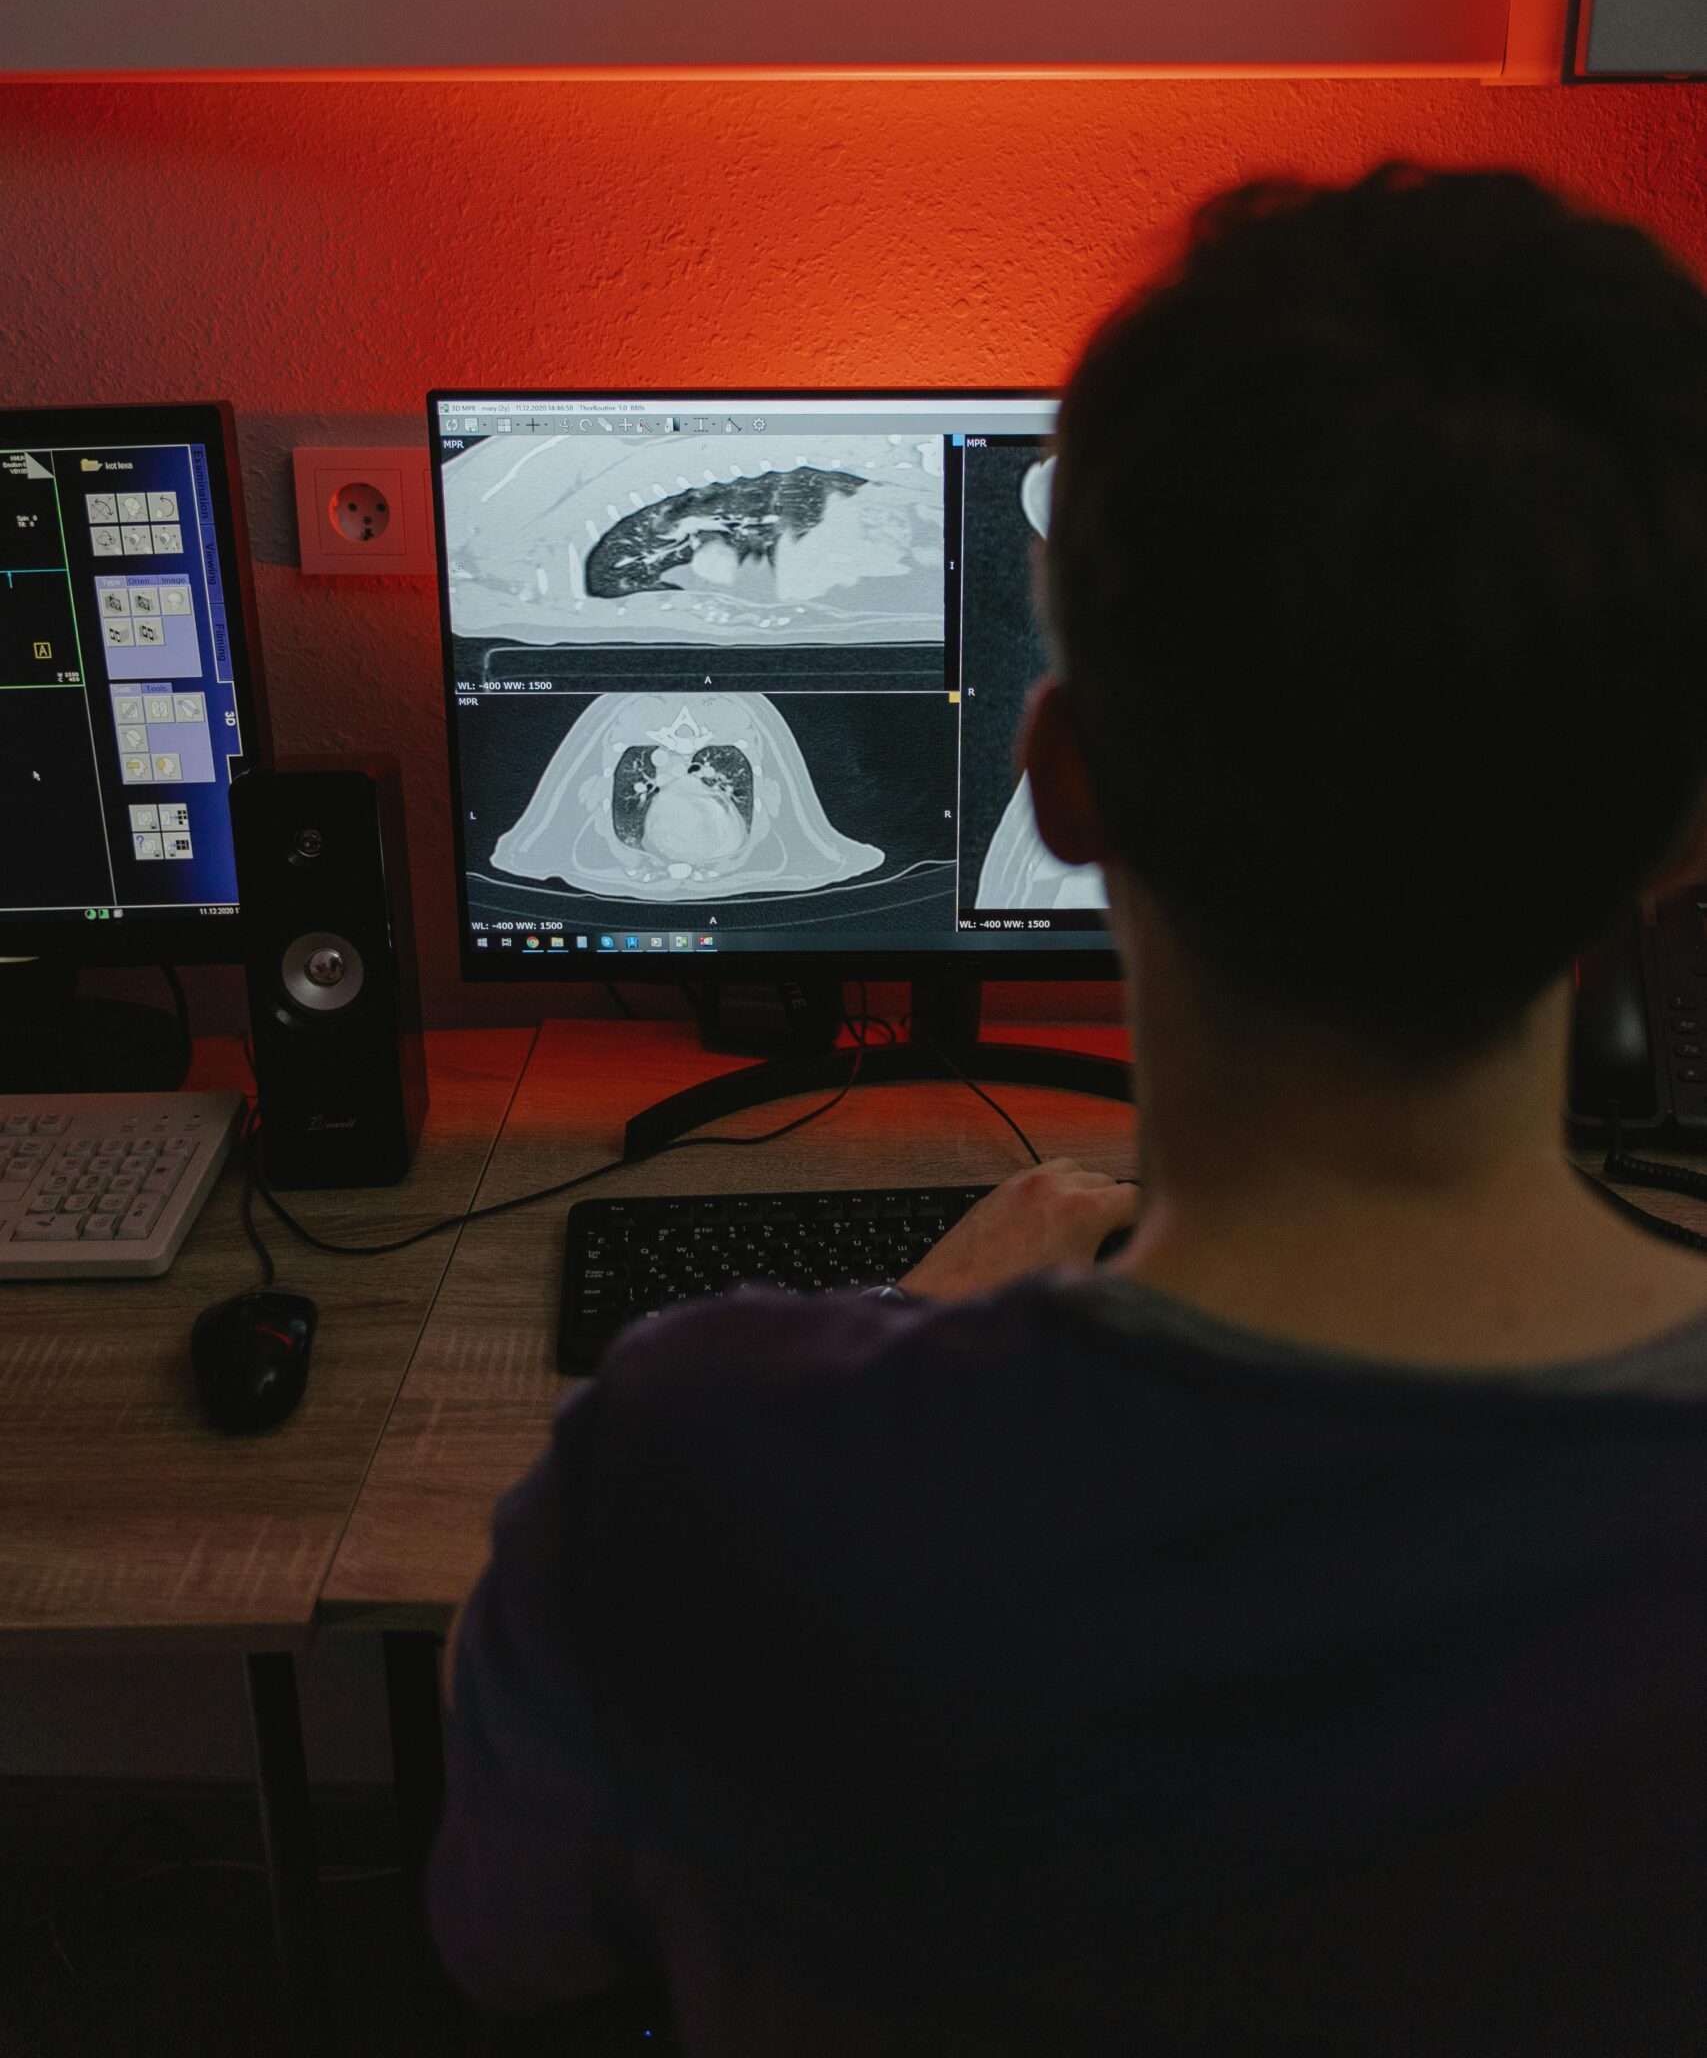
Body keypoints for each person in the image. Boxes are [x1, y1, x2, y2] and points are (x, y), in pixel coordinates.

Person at [430, 165, 1707, 2055]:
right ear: (1688, 833)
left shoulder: (695, 1471)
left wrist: (895, 1349)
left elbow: (510, 1952)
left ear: (1062, 774)